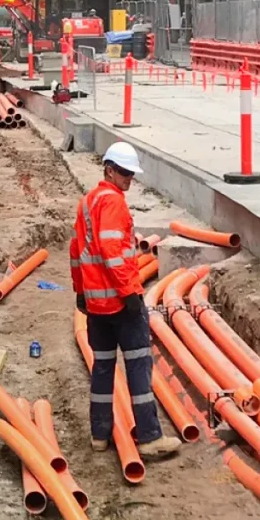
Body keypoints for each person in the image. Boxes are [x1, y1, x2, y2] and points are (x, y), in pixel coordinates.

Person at [71, 142, 181, 460]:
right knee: (139, 367)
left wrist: (81, 292)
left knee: (103, 369)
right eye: (124, 172)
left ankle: (100, 435)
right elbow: (112, 254)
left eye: (131, 173)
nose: (128, 179)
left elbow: (76, 252)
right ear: (109, 169)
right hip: (120, 306)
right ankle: (149, 438)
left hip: (95, 307)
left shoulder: (86, 203)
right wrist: (130, 293)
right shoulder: (113, 204)